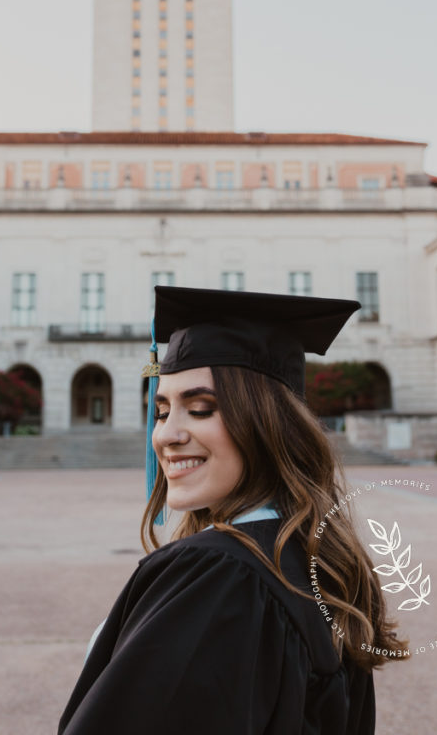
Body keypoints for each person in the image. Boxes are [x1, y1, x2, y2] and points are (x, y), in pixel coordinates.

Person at [57, 286, 408, 735]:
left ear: (268, 424)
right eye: (162, 411)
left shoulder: (218, 573)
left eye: (200, 409)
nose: (166, 435)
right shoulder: (316, 560)